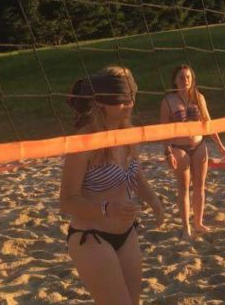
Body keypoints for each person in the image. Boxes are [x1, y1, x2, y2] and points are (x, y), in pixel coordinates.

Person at [60, 66, 164, 305]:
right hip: (91, 236)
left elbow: (136, 177)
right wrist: (106, 209)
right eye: (121, 100)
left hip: (127, 233)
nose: (129, 104)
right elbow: (66, 201)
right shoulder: (84, 142)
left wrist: (153, 200)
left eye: (131, 97)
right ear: (102, 103)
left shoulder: (127, 134)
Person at [160, 64, 225, 240]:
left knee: (200, 186)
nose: (185, 80)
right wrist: (168, 153)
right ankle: (186, 227)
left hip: (199, 145)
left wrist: (220, 145)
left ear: (192, 79)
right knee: (183, 187)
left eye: (188, 77)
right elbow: (163, 131)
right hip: (179, 148)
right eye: (181, 77)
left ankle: (198, 223)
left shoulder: (199, 98)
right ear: (175, 81)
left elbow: (208, 123)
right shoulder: (168, 101)